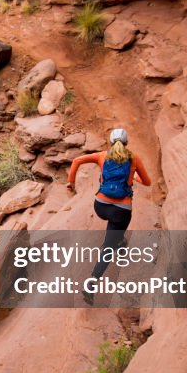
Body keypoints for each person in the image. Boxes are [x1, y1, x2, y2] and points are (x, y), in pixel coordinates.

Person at [66, 127, 151, 304]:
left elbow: (76, 161)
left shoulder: (102, 156)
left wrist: (70, 184)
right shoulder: (134, 158)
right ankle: (92, 283)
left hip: (101, 206)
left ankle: (118, 241)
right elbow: (148, 182)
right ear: (126, 143)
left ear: (110, 142)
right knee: (108, 247)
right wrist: (133, 178)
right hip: (121, 210)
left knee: (115, 233)